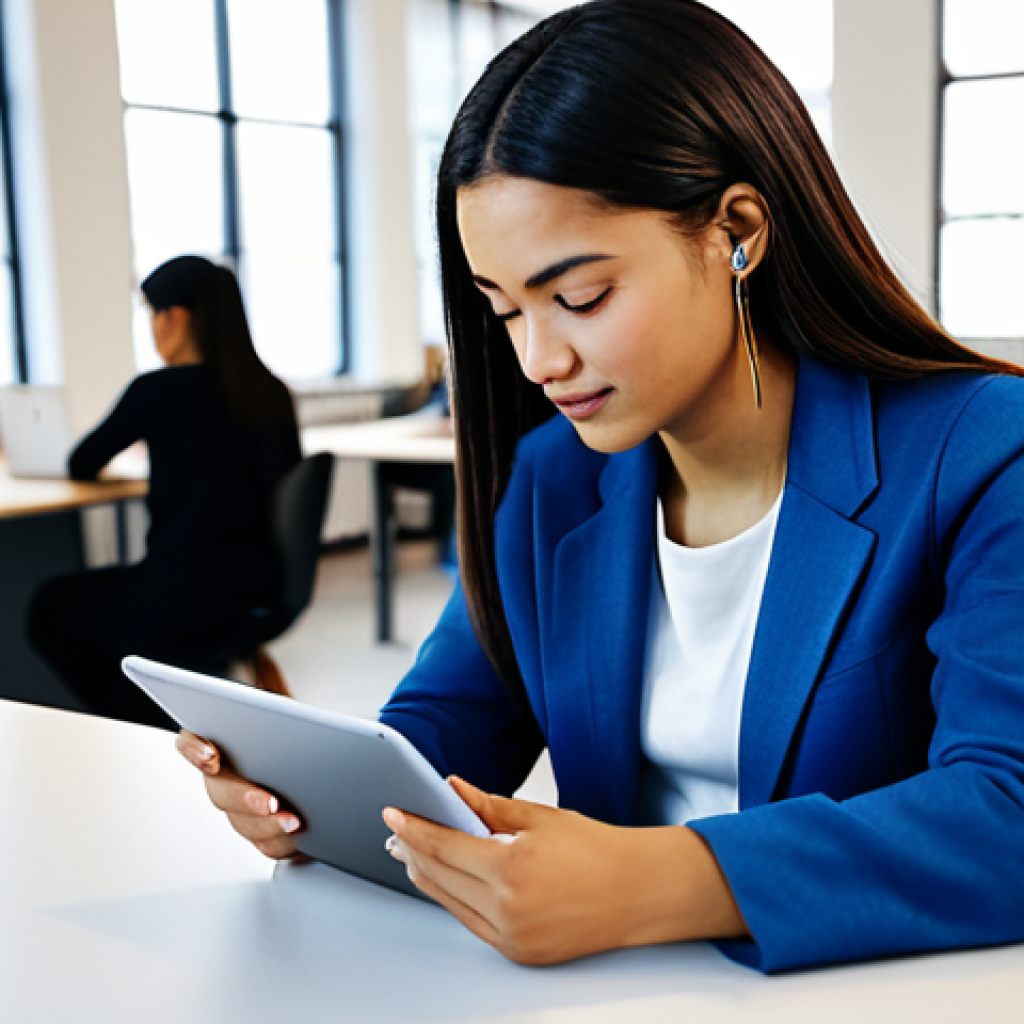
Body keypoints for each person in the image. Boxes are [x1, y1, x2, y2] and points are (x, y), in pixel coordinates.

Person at [176, 0, 1024, 974]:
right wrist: (311, 795)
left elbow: (1006, 805)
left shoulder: (984, 451)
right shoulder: (555, 478)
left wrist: (658, 881)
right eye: (504, 309)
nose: (538, 358)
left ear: (736, 231)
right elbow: (451, 719)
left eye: (580, 296)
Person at [30, 256, 301, 730]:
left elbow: (82, 462)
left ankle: (156, 726)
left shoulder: (157, 391)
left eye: (152, 314)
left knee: (49, 608)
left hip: (183, 598)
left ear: (173, 317)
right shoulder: (269, 391)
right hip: (257, 593)